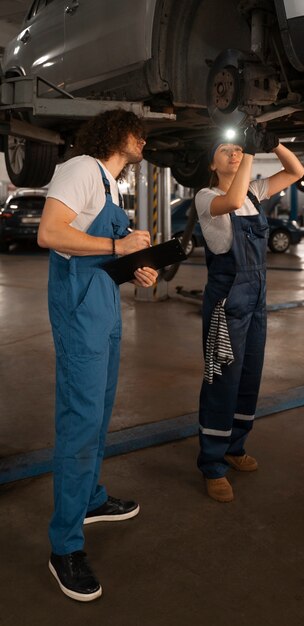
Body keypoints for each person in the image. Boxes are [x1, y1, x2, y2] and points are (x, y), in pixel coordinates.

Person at [37, 108, 158, 601]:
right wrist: (118, 242)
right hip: (79, 304)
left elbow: (102, 252)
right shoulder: (83, 168)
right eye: (139, 133)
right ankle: (63, 546)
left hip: (104, 302)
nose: (144, 142)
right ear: (116, 132)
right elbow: (50, 233)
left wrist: (135, 266)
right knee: (81, 418)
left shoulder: (110, 185)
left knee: (101, 410)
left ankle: (89, 499)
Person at [195, 126, 304, 502]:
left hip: (256, 297)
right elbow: (236, 195)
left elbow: (296, 173)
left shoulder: (256, 194)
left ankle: (234, 447)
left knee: (249, 376)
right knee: (221, 378)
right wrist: (252, 153)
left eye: (237, 149)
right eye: (225, 150)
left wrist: (272, 142)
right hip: (227, 301)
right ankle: (212, 464)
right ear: (212, 162)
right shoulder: (206, 196)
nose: (233, 154)